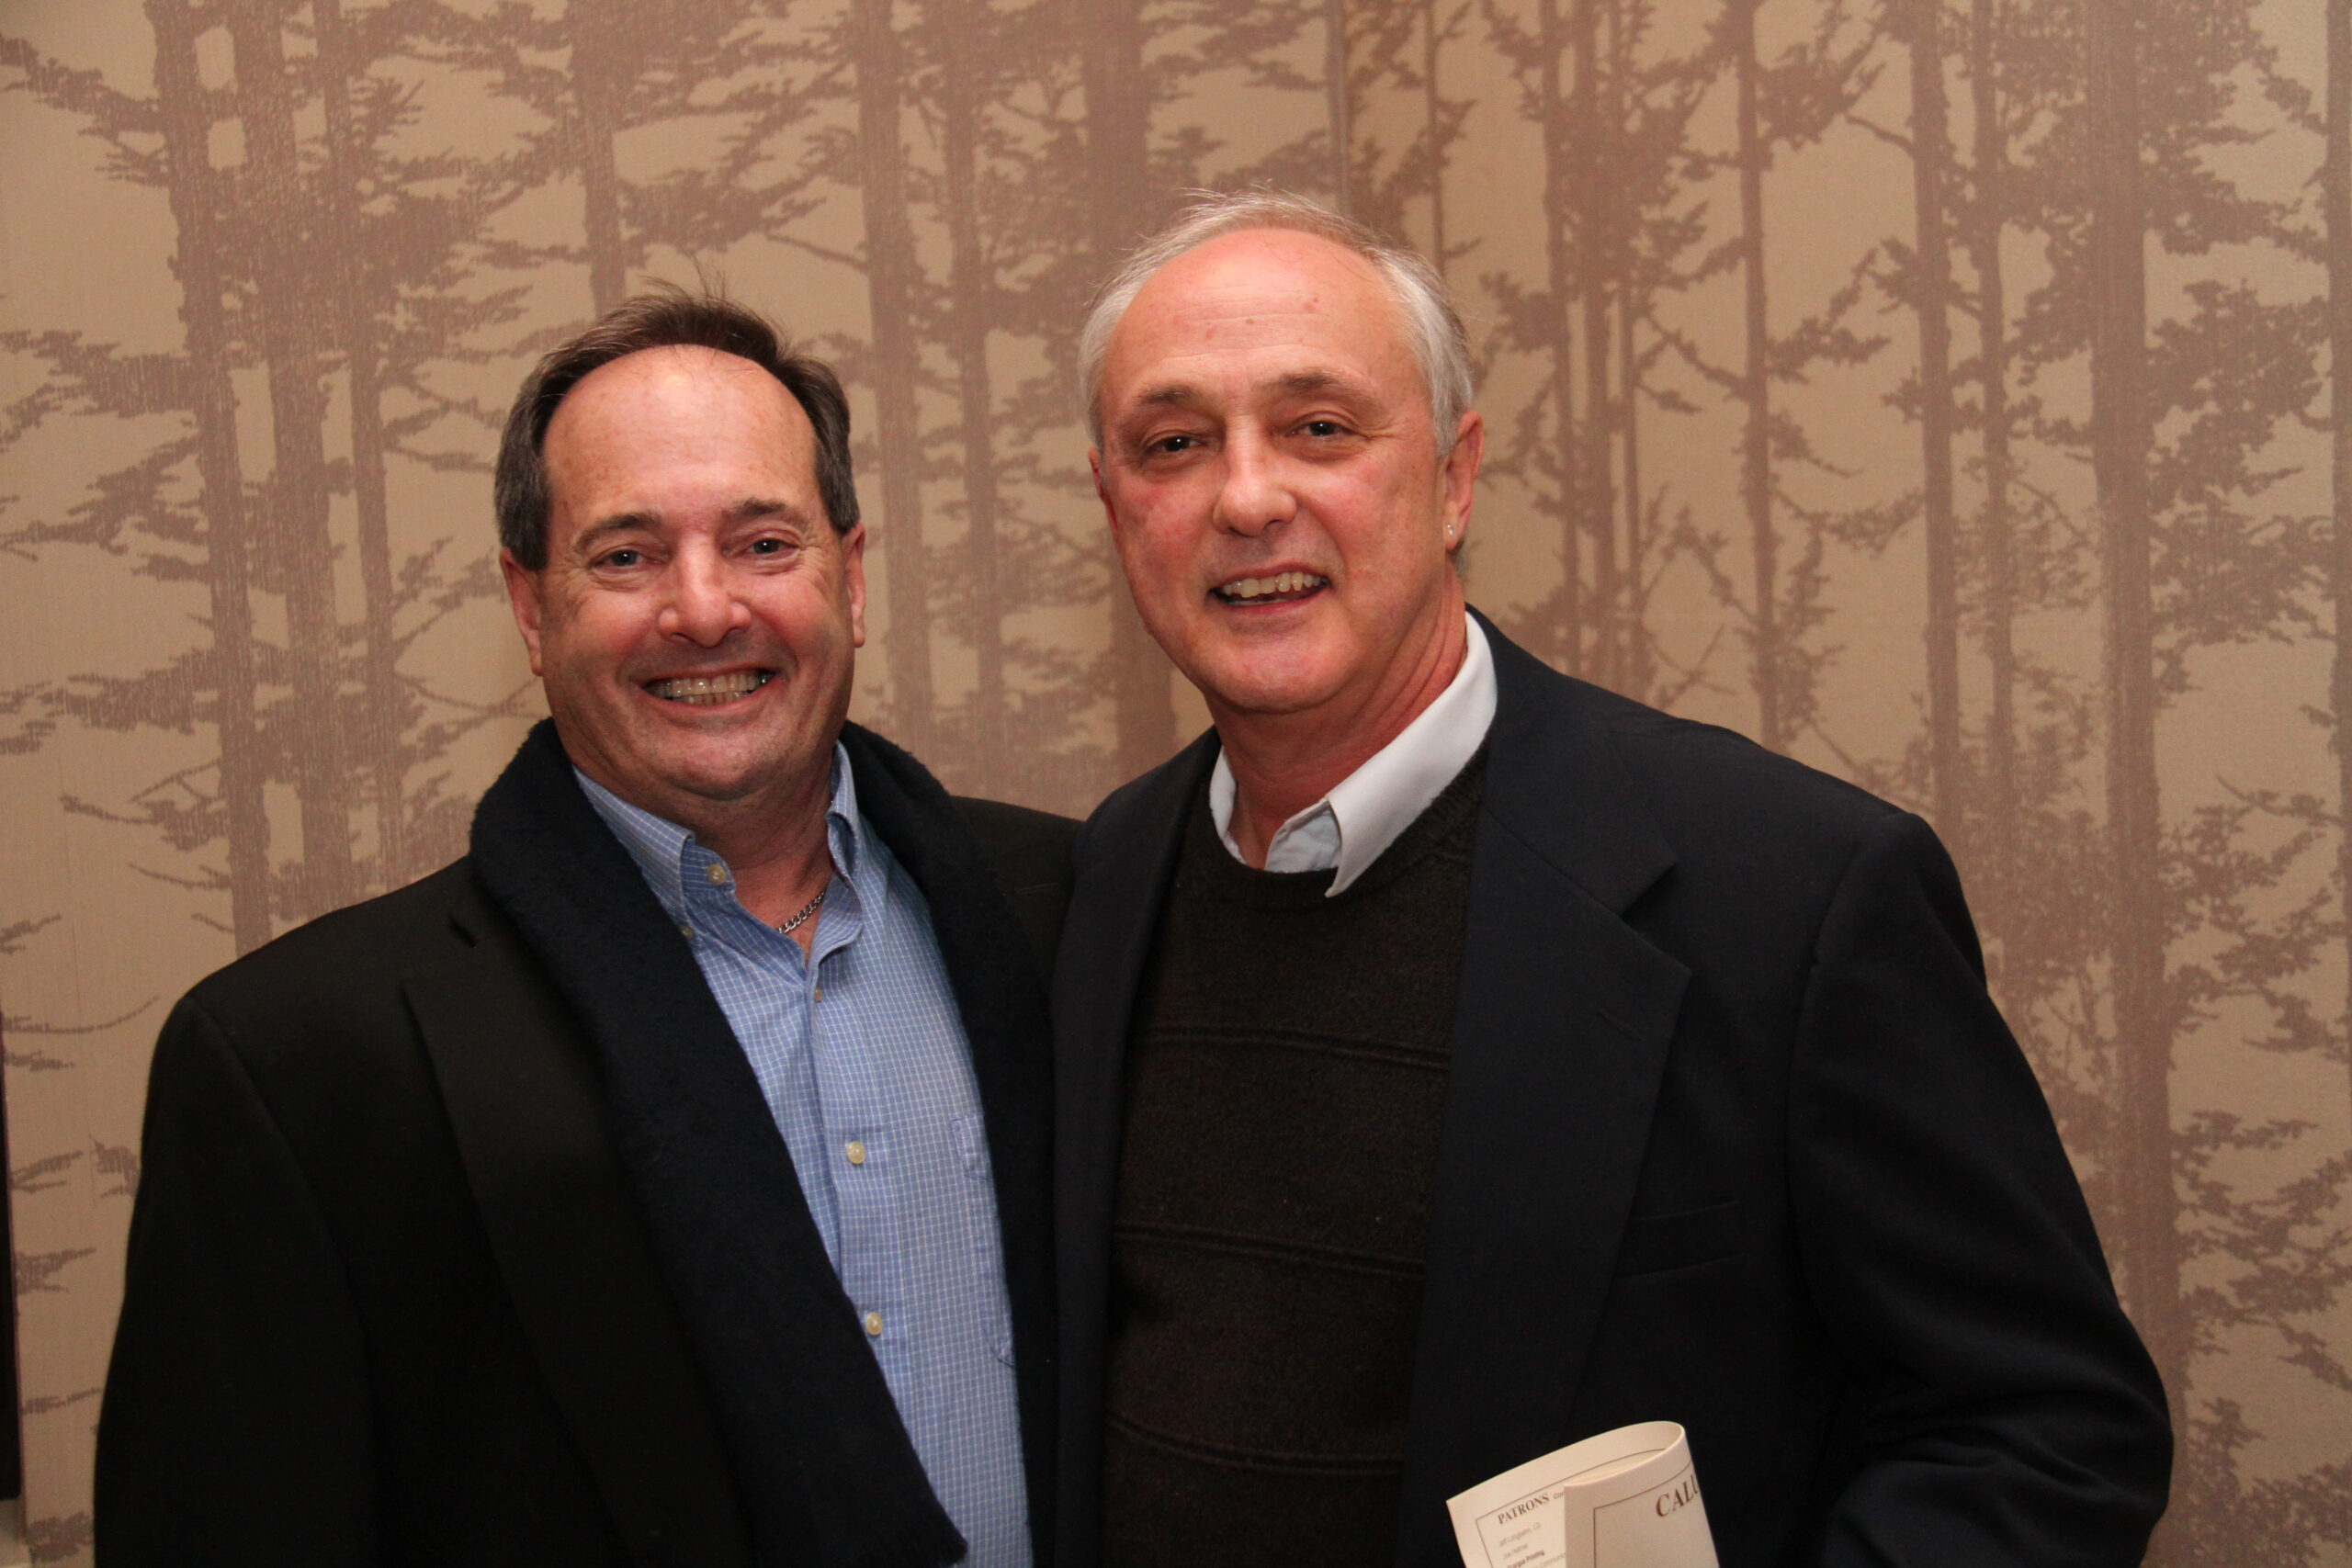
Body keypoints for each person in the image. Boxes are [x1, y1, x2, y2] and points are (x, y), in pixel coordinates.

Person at [1052, 193, 2171, 1568]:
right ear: (1115, 505)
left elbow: (2048, 1435)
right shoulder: (1102, 879)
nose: (1246, 498)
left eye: (1320, 428)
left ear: (1455, 478)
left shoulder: (1790, 895)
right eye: (1173, 445)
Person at [96, 289, 1068, 1568]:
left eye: (764, 542)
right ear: (529, 605)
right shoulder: (298, 1064)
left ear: (853, 576)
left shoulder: (1069, 914)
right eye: (626, 557)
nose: (704, 610)